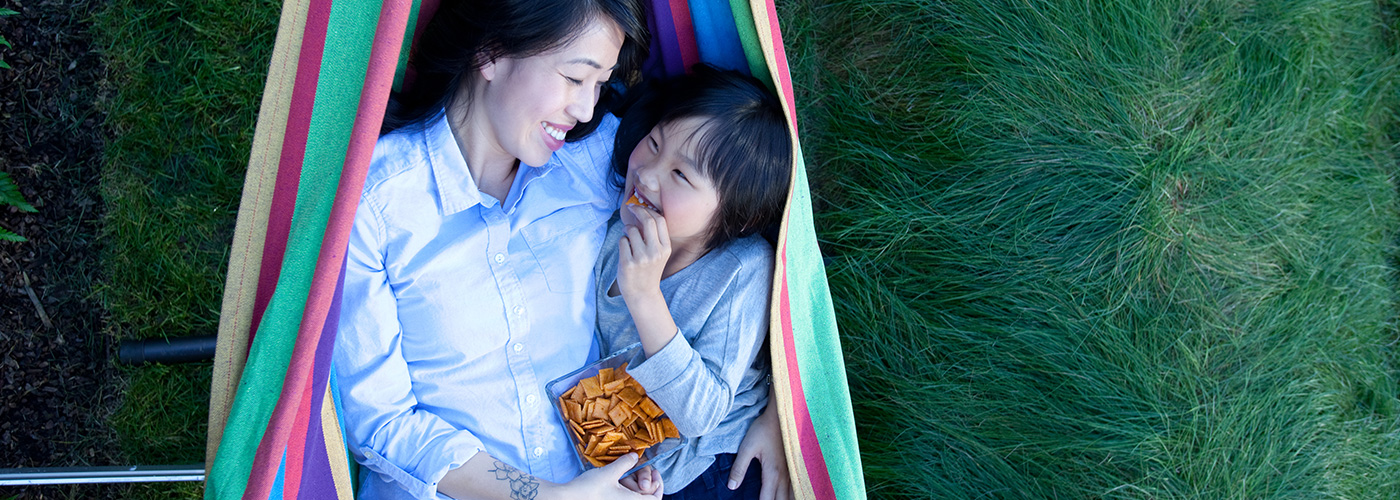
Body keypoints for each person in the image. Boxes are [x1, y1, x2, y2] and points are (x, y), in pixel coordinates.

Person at [331, 0, 791, 498]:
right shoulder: (375, 204)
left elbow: (727, 213)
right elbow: (381, 423)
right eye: (576, 77)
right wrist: (542, 496)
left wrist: (772, 411)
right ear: (491, 51)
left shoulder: (596, 158)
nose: (587, 109)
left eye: (600, 84)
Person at [592, 66, 791, 499]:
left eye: (681, 175)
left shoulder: (740, 269)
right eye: (655, 143)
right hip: (639, 461)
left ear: (738, 215)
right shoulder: (610, 237)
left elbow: (701, 413)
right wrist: (626, 463)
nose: (647, 174)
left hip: (721, 465)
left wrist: (645, 295)